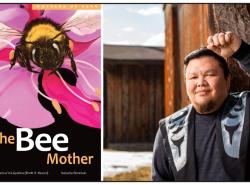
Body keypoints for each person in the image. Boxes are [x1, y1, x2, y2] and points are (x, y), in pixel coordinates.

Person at [152, 31, 250, 181]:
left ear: (227, 80)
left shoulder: (247, 108)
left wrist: (242, 51)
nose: (200, 83)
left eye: (210, 75)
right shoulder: (169, 129)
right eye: (193, 77)